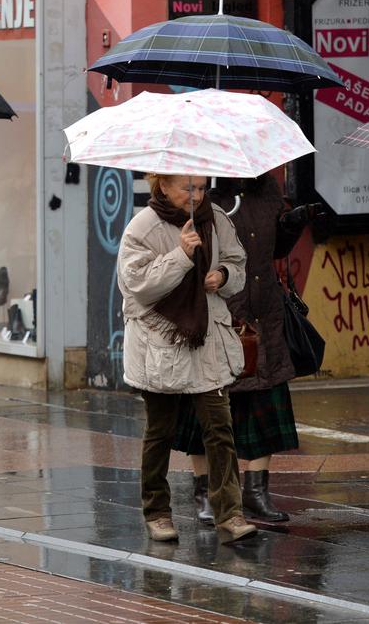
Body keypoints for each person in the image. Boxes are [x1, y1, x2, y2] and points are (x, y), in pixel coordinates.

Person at [118, 173, 255, 543]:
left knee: (220, 428)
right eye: (187, 188)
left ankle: (230, 513)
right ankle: (158, 512)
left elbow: (238, 265)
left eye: (200, 188)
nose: (195, 195)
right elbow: (138, 287)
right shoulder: (141, 228)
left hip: (207, 340)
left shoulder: (217, 220)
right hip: (160, 344)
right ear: (162, 185)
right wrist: (180, 255)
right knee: (160, 432)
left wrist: (223, 276)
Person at [179, 174, 313, 524]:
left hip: (263, 312)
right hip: (217, 312)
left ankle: (256, 493)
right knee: (206, 410)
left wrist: (292, 225)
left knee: (263, 401)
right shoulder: (199, 189)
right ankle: (205, 491)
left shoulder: (267, 189)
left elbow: (275, 248)